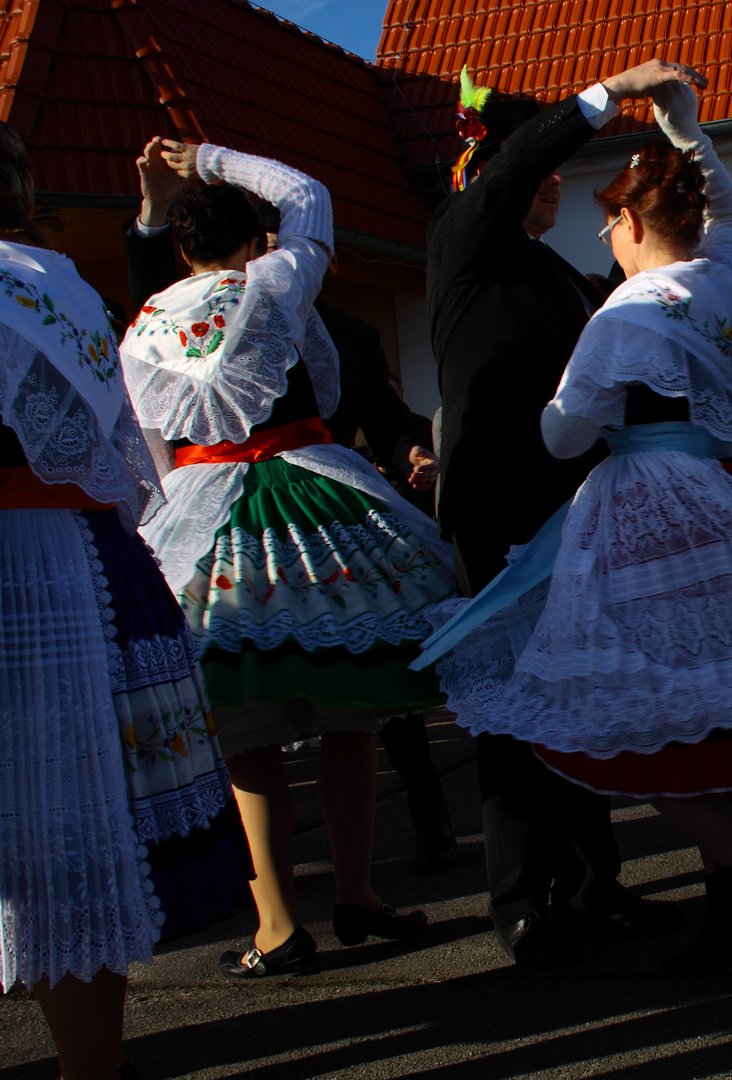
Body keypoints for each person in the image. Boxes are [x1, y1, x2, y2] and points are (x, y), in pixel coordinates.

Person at [418, 82, 732, 976]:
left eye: (606, 221)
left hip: (631, 501)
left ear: (631, 223)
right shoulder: (716, 272)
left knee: (621, 695)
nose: (596, 233)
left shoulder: (619, 302)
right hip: (653, 493)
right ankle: (650, 888)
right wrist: (666, 123)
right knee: (671, 689)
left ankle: (700, 873)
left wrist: (578, 409)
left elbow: (570, 421)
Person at [122, 139, 455, 979]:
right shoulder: (274, 280)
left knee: (244, 726)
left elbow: (152, 447)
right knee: (347, 706)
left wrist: (176, 516)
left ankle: (275, 921)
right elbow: (306, 191)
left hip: (206, 514)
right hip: (311, 502)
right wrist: (208, 156)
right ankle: (355, 893)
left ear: (179, 247)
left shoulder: (150, 319)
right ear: (250, 238)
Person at [428, 59, 705, 968]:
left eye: (557, 177)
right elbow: (509, 171)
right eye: (534, 170)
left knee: (582, 687)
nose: (551, 183)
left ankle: (594, 883)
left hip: (573, 500)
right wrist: (607, 92)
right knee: (511, 699)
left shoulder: (559, 274)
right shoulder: (462, 242)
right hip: (498, 502)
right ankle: (520, 901)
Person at [0, 121, 235, 1079]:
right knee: (70, 835)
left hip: (30, 575)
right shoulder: (53, 282)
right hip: (86, 555)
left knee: (55, 832)